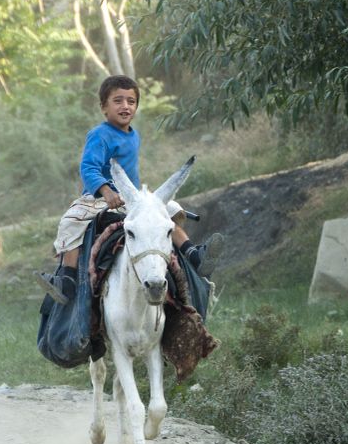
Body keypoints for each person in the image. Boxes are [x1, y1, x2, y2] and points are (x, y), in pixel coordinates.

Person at [36, 74, 224, 305]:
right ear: (104, 107)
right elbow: (89, 167)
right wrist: (105, 191)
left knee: (168, 212)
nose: (125, 106)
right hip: (99, 199)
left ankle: (195, 256)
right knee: (71, 221)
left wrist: (137, 198)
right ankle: (67, 279)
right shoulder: (99, 134)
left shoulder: (133, 134)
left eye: (131, 101)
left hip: (131, 200)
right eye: (118, 100)